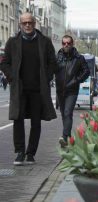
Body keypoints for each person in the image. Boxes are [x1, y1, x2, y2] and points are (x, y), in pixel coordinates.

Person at [0, 12, 57, 165]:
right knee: (18, 120)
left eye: (30, 22)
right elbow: (4, 63)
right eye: (24, 23)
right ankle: (19, 152)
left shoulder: (45, 42)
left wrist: (47, 76)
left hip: (38, 89)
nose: (27, 25)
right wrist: (12, 77)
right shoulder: (12, 42)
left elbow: (53, 62)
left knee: (36, 122)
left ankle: (30, 153)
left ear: (34, 24)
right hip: (19, 89)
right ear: (20, 24)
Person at [55, 35, 90, 148]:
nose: (66, 45)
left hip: (72, 90)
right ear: (62, 44)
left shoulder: (79, 58)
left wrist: (76, 80)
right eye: (64, 43)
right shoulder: (57, 57)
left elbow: (86, 71)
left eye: (68, 43)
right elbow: (51, 69)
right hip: (60, 90)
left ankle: (64, 137)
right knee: (64, 115)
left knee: (67, 113)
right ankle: (68, 138)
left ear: (72, 44)